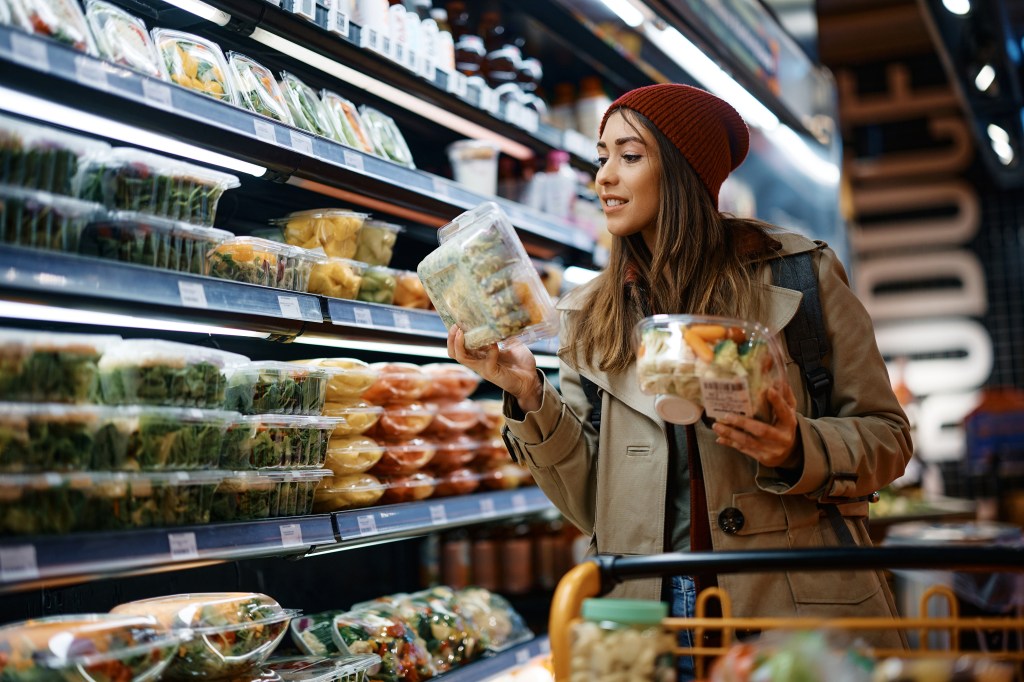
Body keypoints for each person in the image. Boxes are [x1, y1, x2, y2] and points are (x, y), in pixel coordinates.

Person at [446, 83, 912, 673]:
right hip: (643, 616)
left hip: (792, 608)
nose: (604, 178)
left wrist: (798, 447)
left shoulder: (800, 275)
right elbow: (594, 504)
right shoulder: (589, 318)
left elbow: (888, 438)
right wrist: (528, 393)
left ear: (685, 169)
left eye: (630, 156)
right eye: (601, 157)